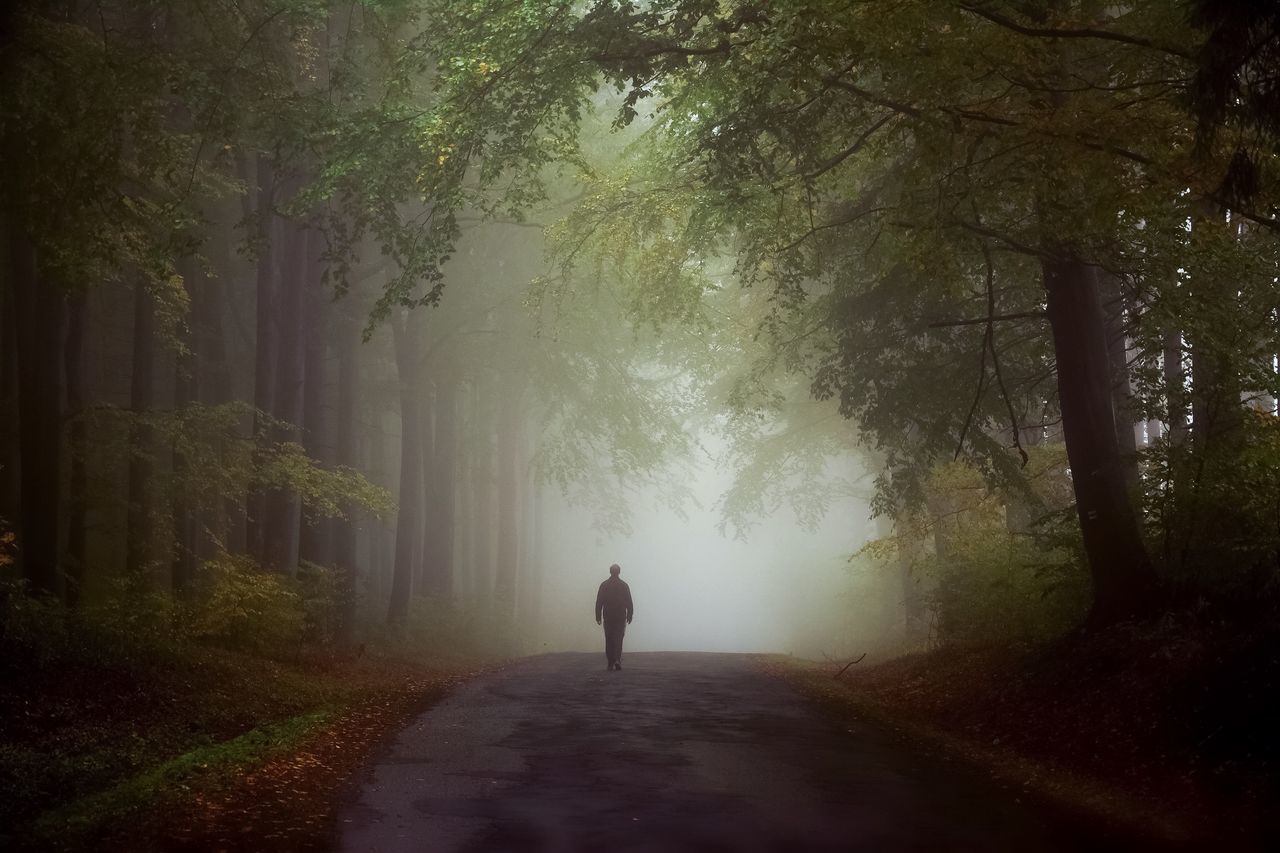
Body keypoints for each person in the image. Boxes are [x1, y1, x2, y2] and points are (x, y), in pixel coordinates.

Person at [594, 563, 633, 671]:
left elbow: (599, 602)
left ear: (610, 572)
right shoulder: (624, 585)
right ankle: (617, 659)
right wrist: (630, 614)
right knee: (618, 638)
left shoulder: (604, 585)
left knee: (609, 638)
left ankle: (610, 661)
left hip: (608, 615)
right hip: (620, 615)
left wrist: (598, 615)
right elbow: (629, 602)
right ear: (619, 572)